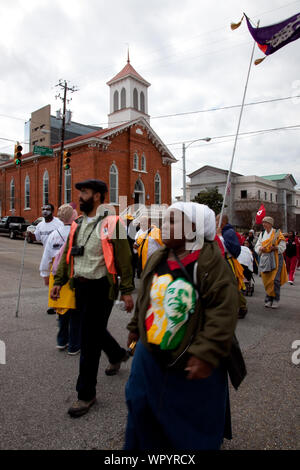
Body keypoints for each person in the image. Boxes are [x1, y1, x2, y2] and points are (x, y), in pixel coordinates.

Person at [125, 202, 240, 450]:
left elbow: (223, 311)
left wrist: (206, 353)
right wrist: (135, 326)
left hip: (190, 360)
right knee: (139, 405)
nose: (164, 226)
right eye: (164, 221)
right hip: (150, 354)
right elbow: (147, 296)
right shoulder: (158, 258)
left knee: (189, 428)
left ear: (194, 229)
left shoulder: (211, 263)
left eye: (173, 221)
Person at [50, 179, 134, 418]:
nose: (80, 197)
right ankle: (117, 354)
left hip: (101, 289)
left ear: (97, 196)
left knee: (88, 340)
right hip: (80, 287)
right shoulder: (77, 224)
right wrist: (59, 282)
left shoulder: (113, 224)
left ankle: (86, 395)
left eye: (84, 193)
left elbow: (125, 260)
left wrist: (127, 291)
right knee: (93, 330)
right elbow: (69, 254)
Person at [40, 204, 81, 355]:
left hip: (55, 274)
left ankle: (61, 341)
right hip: (73, 274)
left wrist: (44, 274)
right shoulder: (77, 232)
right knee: (75, 312)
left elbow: (46, 257)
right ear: (73, 216)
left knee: (61, 311)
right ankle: (74, 345)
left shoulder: (53, 234)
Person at [27, 203, 64, 315]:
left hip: (59, 256)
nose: (44, 211)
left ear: (52, 211)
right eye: (43, 209)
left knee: (57, 280)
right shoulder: (40, 225)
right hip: (47, 256)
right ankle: (54, 303)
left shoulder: (58, 223)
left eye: (47, 209)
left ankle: (58, 304)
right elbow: (36, 238)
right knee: (51, 281)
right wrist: (29, 235)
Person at [215, 213, 247, 319]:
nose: (215, 223)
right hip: (221, 262)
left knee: (231, 286)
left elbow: (232, 249)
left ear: (222, 222)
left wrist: (220, 237)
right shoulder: (224, 231)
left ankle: (242, 306)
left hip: (228, 262)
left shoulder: (229, 232)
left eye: (216, 221)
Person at [255, 216, 288, 309]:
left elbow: (282, 246)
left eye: (265, 222)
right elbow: (257, 246)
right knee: (267, 279)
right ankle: (268, 299)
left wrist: (276, 248)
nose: (264, 224)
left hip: (276, 258)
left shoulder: (277, 233)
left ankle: (276, 299)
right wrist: (260, 248)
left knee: (275, 280)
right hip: (265, 258)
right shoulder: (262, 234)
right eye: (263, 222)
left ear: (270, 224)